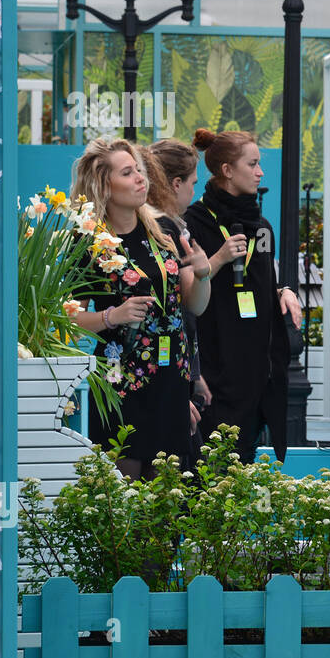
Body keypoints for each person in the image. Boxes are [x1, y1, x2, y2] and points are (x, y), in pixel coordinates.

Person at [69, 138, 213, 480]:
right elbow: (69, 317)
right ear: (105, 185)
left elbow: (195, 305)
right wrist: (111, 317)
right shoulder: (89, 240)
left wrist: (204, 273)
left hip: (170, 379)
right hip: (122, 384)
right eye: (128, 172)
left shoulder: (164, 231)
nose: (141, 179)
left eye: (139, 171)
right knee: (127, 499)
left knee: (167, 499)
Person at [184, 129, 303, 463]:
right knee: (208, 469)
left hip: (254, 370)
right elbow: (182, 294)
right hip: (214, 365)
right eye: (252, 164)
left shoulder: (261, 226)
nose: (260, 172)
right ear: (226, 170)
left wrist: (283, 291)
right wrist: (219, 258)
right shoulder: (192, 224)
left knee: (244, 463)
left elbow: (263, 282)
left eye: (259, 164)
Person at [146, 139, 233, 467]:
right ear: (176, 184)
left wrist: (193, 374)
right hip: (163, 374)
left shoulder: (166, 227)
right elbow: (181, 308)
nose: (195, 194)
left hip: (171, 370)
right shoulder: (165, 229)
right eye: (194, 184)